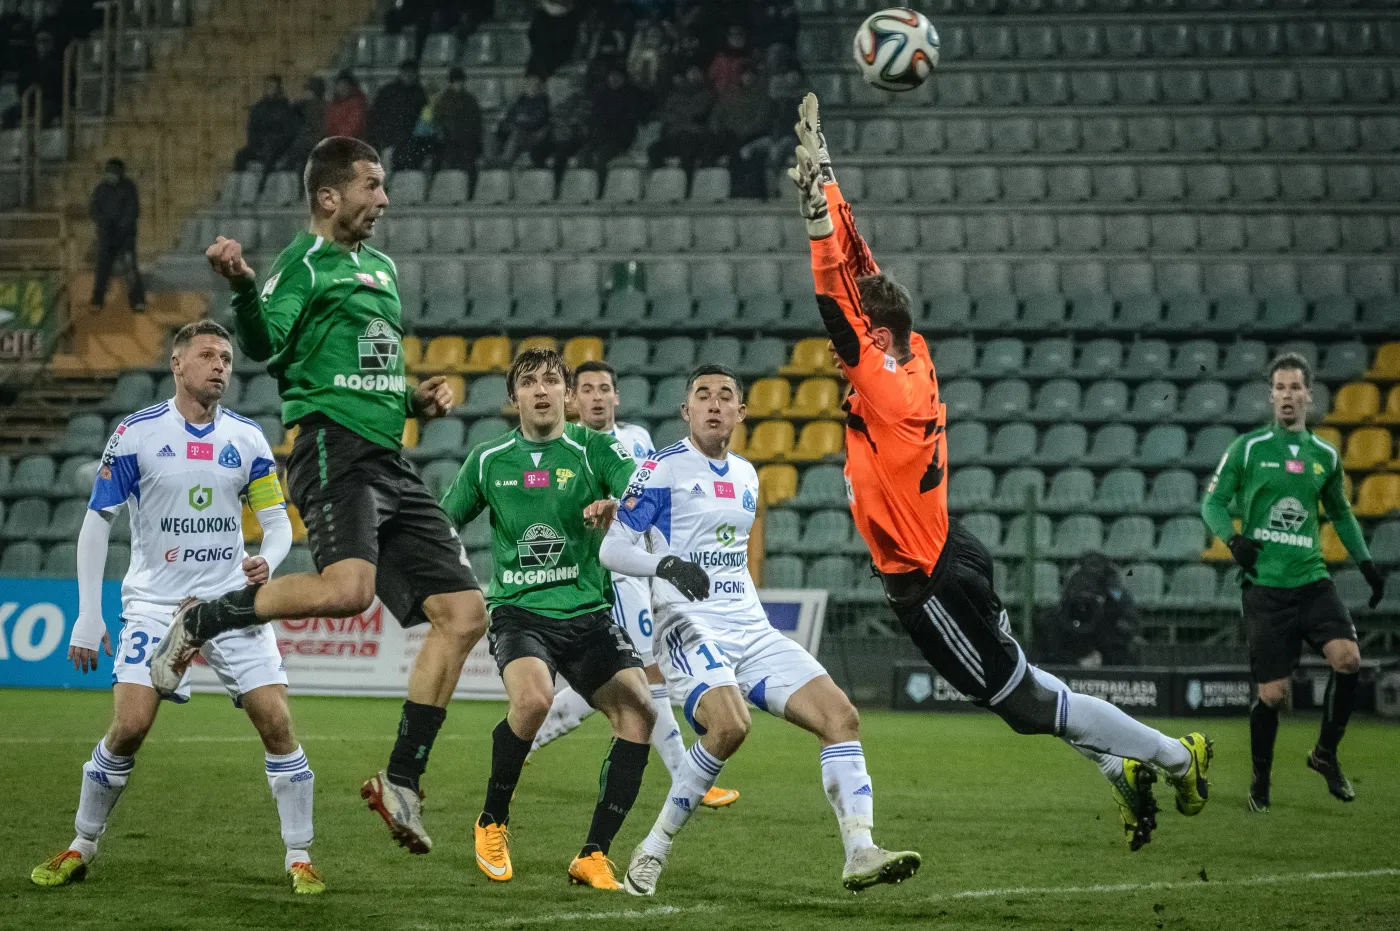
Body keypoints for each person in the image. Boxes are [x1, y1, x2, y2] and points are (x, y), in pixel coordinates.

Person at [787, 93, 1212, 850]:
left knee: (1024, 703)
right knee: (1029, 683)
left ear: (876, 336)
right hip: (953, 549)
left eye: (857, 339)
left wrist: (816, 227)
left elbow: (835, 304)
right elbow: (862, 273)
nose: (837, 352)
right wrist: (829, 184)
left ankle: (1177, 756)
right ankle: (1121, 769)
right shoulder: (910, 353)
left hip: (930, 584)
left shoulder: (885, 388)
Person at [157, 136, 489, 857]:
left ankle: (401, 780)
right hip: (332, 446)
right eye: (372, 184)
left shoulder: (382, 268)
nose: (384, 199)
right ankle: (206, 617)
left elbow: (372, 366)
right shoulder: (302, 264)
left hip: (389, 458)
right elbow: (267, 344)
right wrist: (242, 285)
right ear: (330, 196)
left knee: (465, 614)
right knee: (348, 591)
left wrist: (414, 399)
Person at [605, 364, 921, 896]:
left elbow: (729, 556)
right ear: (685, 410)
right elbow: (612, 549)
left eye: (724, 395)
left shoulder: (748, 476)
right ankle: (654, 847)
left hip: (750, 626)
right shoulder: (661, 469)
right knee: (730, 726)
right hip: (687, 623)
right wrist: (667, 566)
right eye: (702, 395)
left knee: (841, 718)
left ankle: (860, 850)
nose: (713, 403)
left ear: (741, 412)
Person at [29, 320, 322, 894]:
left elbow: (275, 522)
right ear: (177, 363)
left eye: (227, 359)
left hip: (229, 603)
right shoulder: (135, 434)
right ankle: (81, 845)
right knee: (130, 726)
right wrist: (89, 614)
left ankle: (299, 856)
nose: (220, 366)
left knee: (277, 722)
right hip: (155, 605)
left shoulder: (247, 438)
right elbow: (97, 523)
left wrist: (269, 559)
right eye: (208, 355)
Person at [439, 348, 657, 890]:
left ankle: (594, 855)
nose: (541, 389)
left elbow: (642, 493)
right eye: (529, 382)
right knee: (534, 701)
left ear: (568, 394)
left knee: (641, 713)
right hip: (520, 612)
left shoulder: (594, 448)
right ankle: (492, 820)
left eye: (552, 380)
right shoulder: (489, 459)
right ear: (513, 397)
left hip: (588, 612)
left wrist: (620, 506)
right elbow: (441, 524)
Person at [527, 360, 740, 812]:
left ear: (616, 396)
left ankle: (528, 736)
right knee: (647, 671)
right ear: (573, 399)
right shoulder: (566, 448)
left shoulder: (639, 439)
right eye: (587, 389)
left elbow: (654, 498)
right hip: (605, 572)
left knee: (614, 677)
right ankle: (688, 776)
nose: (597, 397)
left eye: (604, 388)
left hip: (642, 570)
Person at [1201, 352, 1386, 812]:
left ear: (1309, 395)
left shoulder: (1325, 455)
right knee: (1273, 694)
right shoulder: (1248, 448)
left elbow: (1341, 513)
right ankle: (1260, 779)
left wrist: (1366, 564)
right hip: (1265, 588)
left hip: (1312, 581)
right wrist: (1233, 540)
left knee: (1349, 659)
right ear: (1271, 396)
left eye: (1295, 387)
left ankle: (1324, 755)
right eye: (1280, 388)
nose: (1287, 395)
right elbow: (1213, 503)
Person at [707, 67, 775, 199]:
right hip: (730, 136)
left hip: (753, 137)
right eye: (744, 75)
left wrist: (744, 131)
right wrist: (720, 130)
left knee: (745, 154)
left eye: (750, 75)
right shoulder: (729, 95)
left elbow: (762, 120)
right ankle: (734, 188)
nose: (747, 78)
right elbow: (717, 116)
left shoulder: (761, 96)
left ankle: (749, 190)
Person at [89, 158, 146, 313]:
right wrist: (104, 224)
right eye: (108, 171)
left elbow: (132, 211)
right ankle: (97, 300)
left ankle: (138, 301)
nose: (110, 175)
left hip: (125, 237)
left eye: (114, 172)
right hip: (106, 236)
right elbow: (94, 210)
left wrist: (121, 227)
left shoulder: (129, 187)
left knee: (130, 268)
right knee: (102, 269)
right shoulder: (101, 188)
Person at [648, 65, 713, 175]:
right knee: (653, 150)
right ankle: (665, 178)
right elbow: (665, 115)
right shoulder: (674, 96)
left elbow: (698, 113)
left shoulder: (706, 96)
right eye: (691, 73)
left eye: (696, 73)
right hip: (674, 135)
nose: (694, 77)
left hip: (695, 136)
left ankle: (687, 182)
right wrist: (677, 117)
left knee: (687, 152)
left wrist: (678, 115)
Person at [235, 75, 299, 171]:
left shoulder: (285, 109)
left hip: (277, 148)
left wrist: (277, 144)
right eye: (268, 86)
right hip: (259, 146)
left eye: (273, 87)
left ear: (279, 88)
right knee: (240, 156)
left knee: (270, 158)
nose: (270, 89)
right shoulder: (259, 108)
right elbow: (252, 129)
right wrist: (257, 146)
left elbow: (289, 133)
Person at [369, 59, 428, 158]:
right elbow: (376, 114)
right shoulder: (388, 91)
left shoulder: (420, 94)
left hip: (409, 142)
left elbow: (423, 119)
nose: (408, 75)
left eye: (411, 73)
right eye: (406, 72)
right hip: (389, 140)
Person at [432, 67, 483, 173]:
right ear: (451, 83)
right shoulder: (442, 101)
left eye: (460, 81)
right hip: (448, 142)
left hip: (467, 142)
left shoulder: (470, 100)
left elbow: (477, 123)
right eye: (456, 81)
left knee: (468, 167)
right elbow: (437, 122)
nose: (459, 84)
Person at [495, 75, 551, 167]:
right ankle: (493, 161)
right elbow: (510, 116)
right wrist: (513, 121)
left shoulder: (543, 102)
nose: (532, 88)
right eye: (530, 84)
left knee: (516, 134)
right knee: (495, 132)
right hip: (517, 130)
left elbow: (538, 121)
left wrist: (521, 120)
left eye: (535, 85)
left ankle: (505, 161)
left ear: (539, 87)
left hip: (534, 135)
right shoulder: (521, 100)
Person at [281, 76, 328, 171]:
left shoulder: (320, 106)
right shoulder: (304, 105)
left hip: (313, 138)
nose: (307, 94)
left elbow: (317, 126)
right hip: (304, 137)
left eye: (309, 91)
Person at [324, 70, 369, 141]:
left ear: (351, 87)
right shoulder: (333, 104)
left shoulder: (356, 104)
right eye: (339, 85)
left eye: (345, 85)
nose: (342, 88)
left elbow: (352, 128)